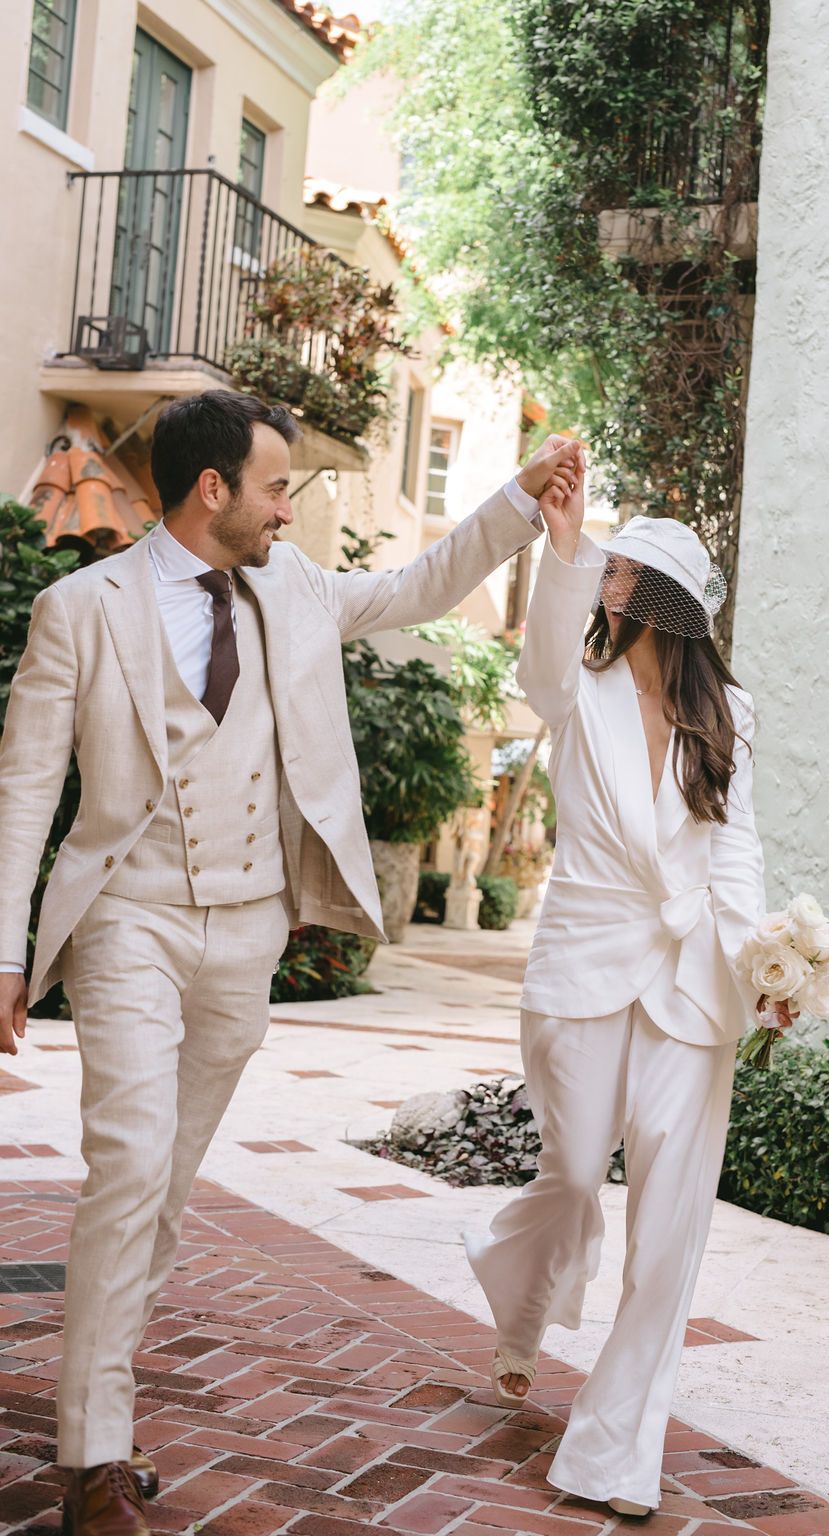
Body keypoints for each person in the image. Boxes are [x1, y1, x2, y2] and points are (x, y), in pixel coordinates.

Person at [0, 389, 577, 1536]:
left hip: (247, 928)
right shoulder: (81, 609)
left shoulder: (295, 591)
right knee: (126, 1164)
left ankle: (104, 1415)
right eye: (275, 487)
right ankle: (91, 1459)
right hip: (128, 916)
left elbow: (421, 582)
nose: (287, 511)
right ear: (211, 488)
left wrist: (519, 499)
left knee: (164, 1189)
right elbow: (24, 788)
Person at [464, 449, 793, 1517]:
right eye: (604, 570)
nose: (607, 582)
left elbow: (734, 857)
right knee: (567, 1178)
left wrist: (767, 970)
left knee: (668, 1232)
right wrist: (562, 547)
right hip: (583, 964)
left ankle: (612, 1455)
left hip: (693, 989)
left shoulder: (730, 716)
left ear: (665, 599)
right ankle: (520, 1315)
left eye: (622, 572)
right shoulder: (579, 686)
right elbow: (540, 661)